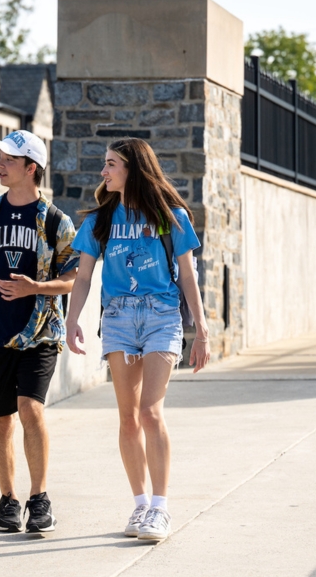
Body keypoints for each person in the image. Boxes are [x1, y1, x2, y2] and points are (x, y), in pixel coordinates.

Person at [64, 137, 210, 543]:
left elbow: (187, 276)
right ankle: (140, 504)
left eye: (111, 164)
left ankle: (161, 509)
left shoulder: (171, 216)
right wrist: (73, 320)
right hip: (118, 318)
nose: (103, 171)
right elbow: (83, 278)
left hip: (162, 316)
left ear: (132, 168)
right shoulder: (99, 221)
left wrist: (201, 330)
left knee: (150, 412)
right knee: (128, 416)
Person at [0, 130, 78, 534]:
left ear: (31, 168)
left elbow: (74, 276)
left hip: (39, 333)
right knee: (0, 420)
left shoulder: (55, 220)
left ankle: (39, 499)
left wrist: (36, 288)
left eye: (8, 158)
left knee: (30, 409)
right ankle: (8, 501)